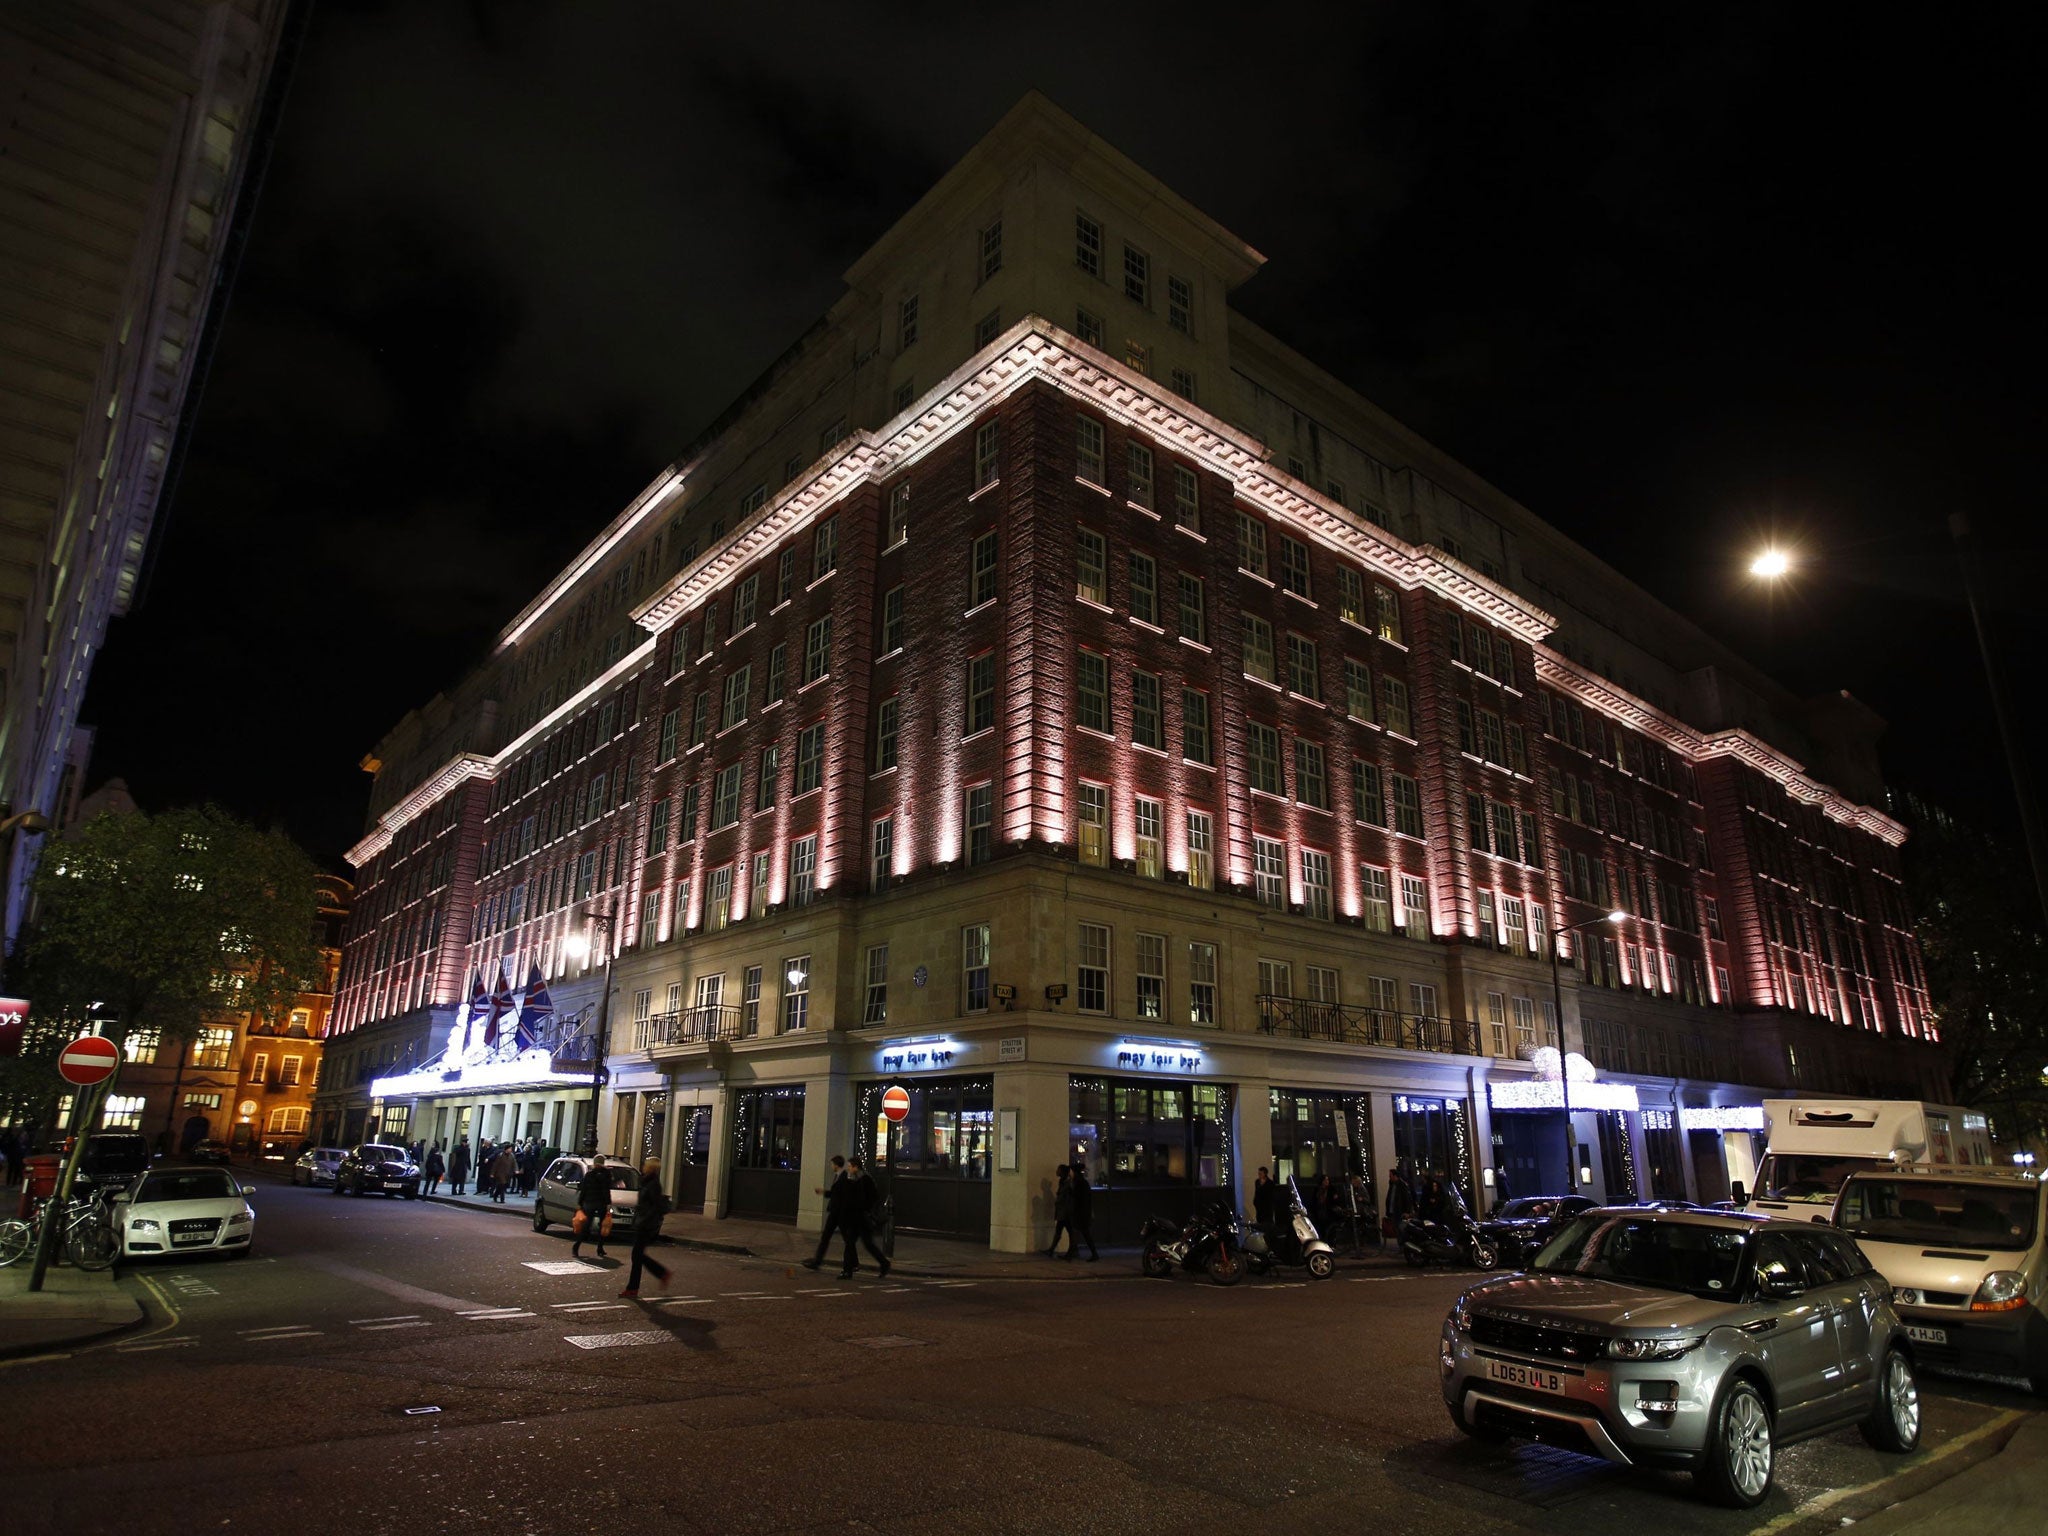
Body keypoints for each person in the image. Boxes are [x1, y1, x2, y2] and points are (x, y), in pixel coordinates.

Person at [619, 1157, 672, 1298]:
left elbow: (655, 1206)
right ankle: (656, 1276)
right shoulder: (647, 1182)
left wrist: (645, 1219)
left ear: (649, 1167)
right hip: (642, 1222)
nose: (643, 1166)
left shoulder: (653, 1184)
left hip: (646, 1224)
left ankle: (636, 1286)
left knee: (637, 1255)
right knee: (638, 1256)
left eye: (645, 1165)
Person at [837, 1157, 889, 1278]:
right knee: (852, 1243)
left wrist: (864, 1208)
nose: (848, 1169)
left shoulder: (864, 1179)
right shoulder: (853, 1179)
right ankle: (847, 1270)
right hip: (856, 1217)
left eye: (850, 1166)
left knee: (865, 1244)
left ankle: (883, 1263)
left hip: (862, 1217)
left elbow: (873, 1197)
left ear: (856, 1167)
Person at [801, 1155, 849, 1270]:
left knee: (847, 1239)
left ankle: (852, 1262)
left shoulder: (844, 1177)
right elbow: (835, 1193)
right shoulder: (838, 1176)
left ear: (836, 1165)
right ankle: (817, 1262)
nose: (831, 1166)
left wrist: (826, 1193)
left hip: (840, 1213)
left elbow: (840, 1194)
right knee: (826, 1237)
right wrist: (824, 1192)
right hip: (834, 1212)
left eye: (832, 1164)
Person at [572, 1154, 612, 1259]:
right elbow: (606, 1190)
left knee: (586, 1225)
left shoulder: (589, 1174)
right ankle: (600, 1248)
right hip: (601, 1203)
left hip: (589, 1202)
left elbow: (584, 1189)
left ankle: (577, 1246)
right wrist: (608, 1203)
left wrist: (580, 1203)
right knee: (602, 1226)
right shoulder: (606, 1175)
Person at [1066, 1162, 1098, 1261]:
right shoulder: (1081, 1183)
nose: (1070, 1173)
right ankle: (1072, 1253)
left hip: (1081, 1213)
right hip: (1082, 1213)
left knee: (1082, 1234)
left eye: (1071, 1171)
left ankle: (1073, 1254)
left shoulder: (1080, 1183)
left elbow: (1078, 1198)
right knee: (1082, 1234)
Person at [1044, 1163, 1074, 1258]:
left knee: (1065, 1231)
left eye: (1058, 1170)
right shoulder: (1063, 1182)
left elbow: (1067, 1197)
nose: (1056, 1171)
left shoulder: (1067, 1183)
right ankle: (1053, 1250)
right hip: (1063, 1211)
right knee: (1064, 1231)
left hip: (1065, 1212)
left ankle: (1069, 1251)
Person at [1251, 1166, 1278, 1234]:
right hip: (1259, 1207)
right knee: (1260, 1222)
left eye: (1261, 1173)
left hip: (1267, 1207)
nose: (1259, 1175)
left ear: (1265, 1174)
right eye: (1259, 1174)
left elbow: (1271, 1195)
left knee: (1267, 1223)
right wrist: (1255, 1202)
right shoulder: (1257, 1182)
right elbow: (1256, 1193)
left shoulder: (1270, 1183)